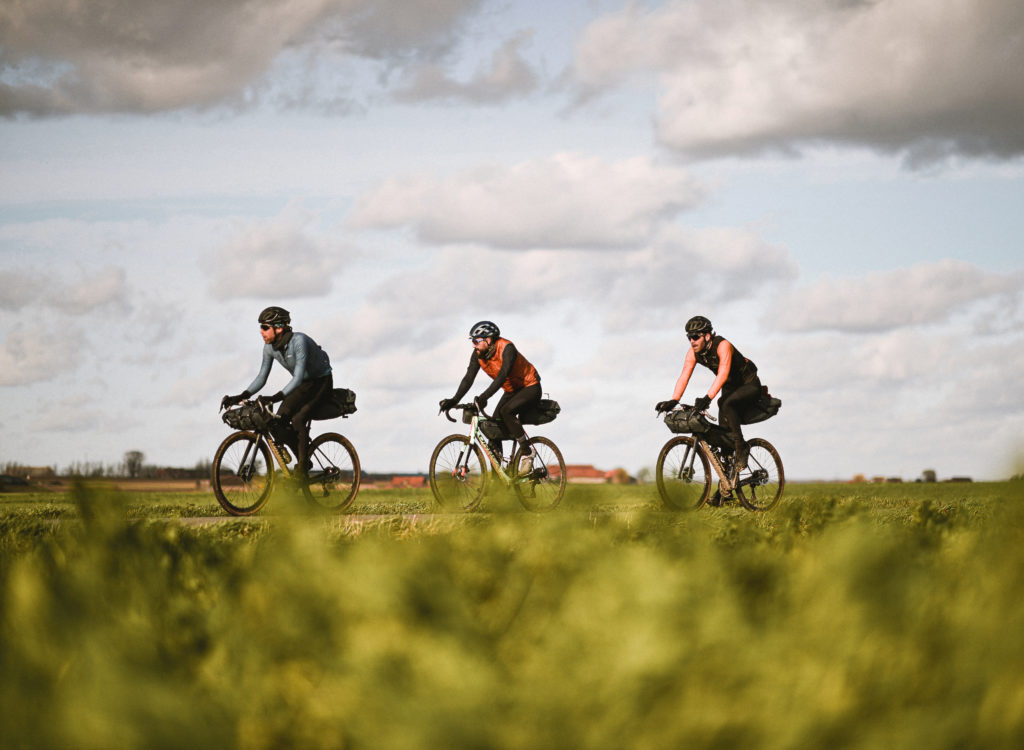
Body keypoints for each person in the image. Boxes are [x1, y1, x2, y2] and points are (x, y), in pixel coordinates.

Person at [220, 306, 333, 476]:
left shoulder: (299, 342)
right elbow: (261, 377)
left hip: (320, 382)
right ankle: (305, 460)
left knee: (298, 419)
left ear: (279, 327)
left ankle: (302, 468)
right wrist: (241, 396)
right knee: (277, 420)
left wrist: (274, 398)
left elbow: (298, 376)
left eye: (265, 327)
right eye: (260, 327)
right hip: (302, 385)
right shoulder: (269, 348)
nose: (261, 331)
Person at [655, 315, 761, 473]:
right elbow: (684, 376)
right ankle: (726, 489)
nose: (692, 341)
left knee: (724, 403)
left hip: (749, 384)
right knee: (724, 439)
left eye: (695, 337)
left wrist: (707, 398)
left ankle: (742, 447)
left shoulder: (723, 345)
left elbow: (723, 374)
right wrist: (674, 400)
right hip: (730, 388)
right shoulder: (693, 353)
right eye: (689, 337)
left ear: (707, 335)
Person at [439, 321, 542, 474]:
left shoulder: (507, 349)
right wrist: (454, 400)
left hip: (530, 387)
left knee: (507, 411)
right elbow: (468, 378)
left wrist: (483, 397)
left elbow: (501, 376)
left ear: (488, 340)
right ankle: (498, 479)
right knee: (493, 430)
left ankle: (527, 453)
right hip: (511, 390)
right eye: (472, 341)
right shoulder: (478, 355)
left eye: (476, 341)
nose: (473, 345)